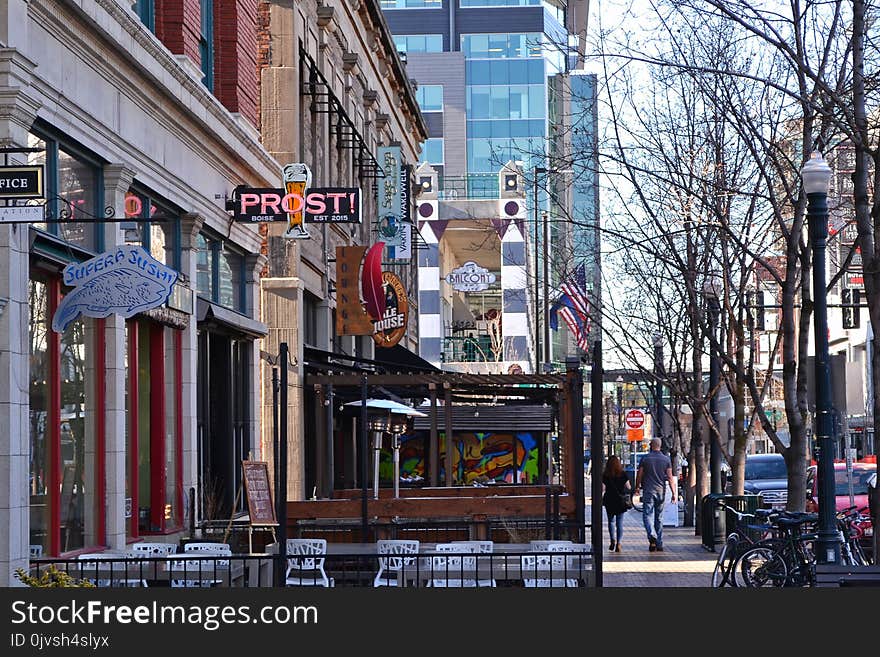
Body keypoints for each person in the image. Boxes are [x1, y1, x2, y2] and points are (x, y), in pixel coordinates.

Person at [634, 437, 677, 552]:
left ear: (651, 445)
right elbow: (670, 477)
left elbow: (640, 474)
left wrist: (637, 487)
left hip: (648, 490)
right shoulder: (666, 459)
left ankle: (652, 535)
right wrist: (674, 493)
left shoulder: (645, 458)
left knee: (647, 515)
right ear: (660, 446)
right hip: (661, 491)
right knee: (659, 517)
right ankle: (659, 543)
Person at [602, 455, 631, 552]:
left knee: (611, 521)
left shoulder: (605, 475)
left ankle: (612, 540)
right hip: (620, 501)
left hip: (609, 500)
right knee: (619, 523)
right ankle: (619, 543)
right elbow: (629, 487)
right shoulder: (623, 474)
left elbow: (603, 488)